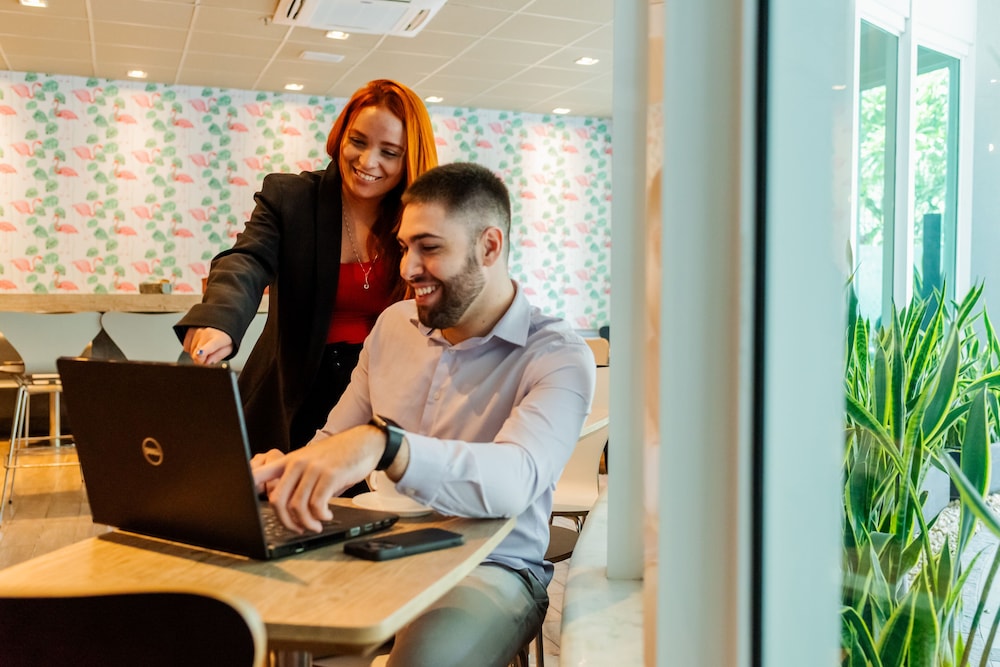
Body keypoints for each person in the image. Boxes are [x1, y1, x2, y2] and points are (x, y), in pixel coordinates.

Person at [252, 162, 596, 666]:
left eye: (429, 248)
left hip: (491, 567)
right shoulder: (393, 325)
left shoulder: (558, 355)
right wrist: (284, 471)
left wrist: (387, 446)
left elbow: (515, 480)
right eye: (404, 247)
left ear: (490, 246)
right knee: (254, 629)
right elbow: (335, 440)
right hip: (378, 547)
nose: (408, 268)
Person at [174, 79, 439, 462]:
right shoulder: (292, 199)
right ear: (341, 137)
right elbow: (246, 260)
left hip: (382, 395)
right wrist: (220, 320)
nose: (368, 162)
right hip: (293, 396)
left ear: (410, 157)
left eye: (389, 152)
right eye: (358, 141)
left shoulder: (421, 218)